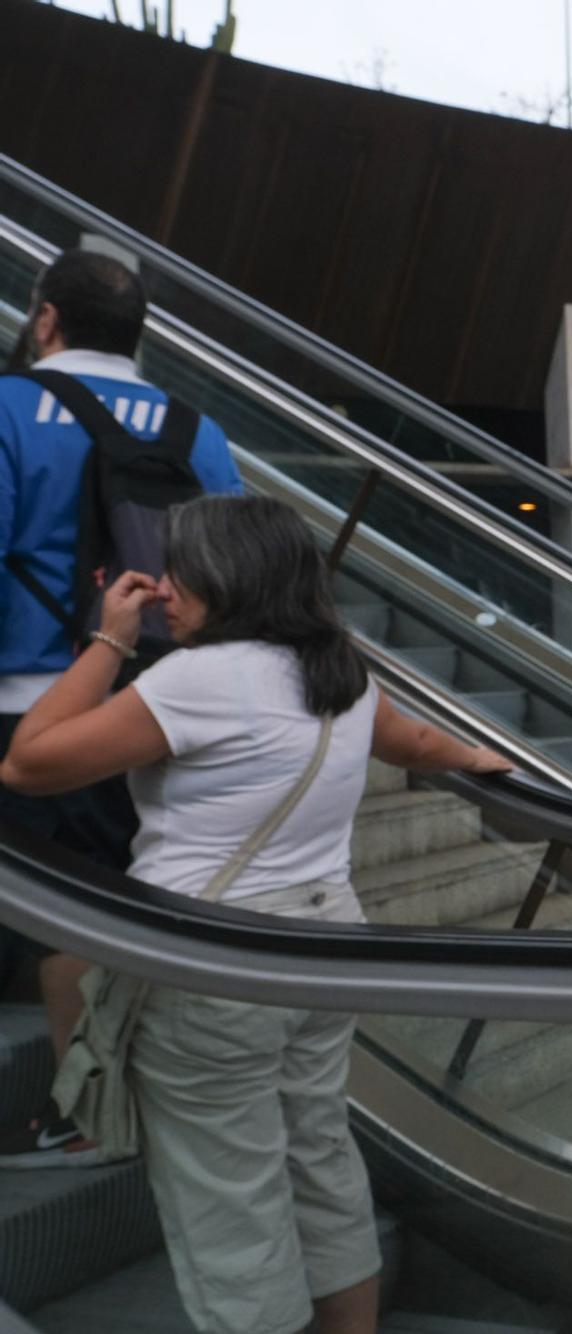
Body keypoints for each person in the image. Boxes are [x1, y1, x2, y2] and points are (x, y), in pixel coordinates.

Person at [0, 495, 508, 1334]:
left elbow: (28, 763)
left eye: (177, 570)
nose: (163, 588)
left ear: (224, 576)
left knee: (228, 1196)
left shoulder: (197, 679)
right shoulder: (340, 668)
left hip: (218, 959)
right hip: (324, 946)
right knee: (318, 1153)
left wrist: (110, 639)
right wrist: (478, 757)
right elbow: (413, 744)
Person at [0, 248, 242, 1167]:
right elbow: (240, 579)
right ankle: (104, 1104)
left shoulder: (9, 407)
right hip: (158, 706)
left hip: (30, 702)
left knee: (57, 907)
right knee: (102, 896)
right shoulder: (198, 428)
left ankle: (88, 1116)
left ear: (46, 319)